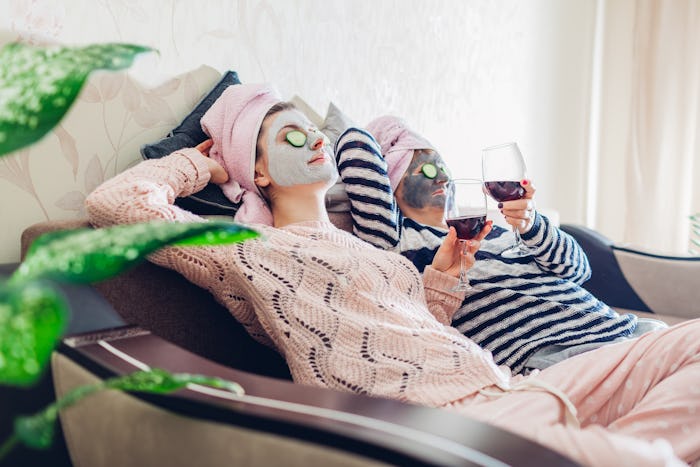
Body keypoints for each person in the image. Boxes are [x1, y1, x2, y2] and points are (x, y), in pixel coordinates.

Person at [85, 83, 699, 466]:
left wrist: (442, 280)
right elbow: (115, 207)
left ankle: (626, 445)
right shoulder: (248, 248)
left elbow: (410, 332)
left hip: (507, 386)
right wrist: (200, 165)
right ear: (261, 172)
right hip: (445, 419)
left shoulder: (377, 255)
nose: (316, 140)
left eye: (313, 128)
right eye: (289, 134)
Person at [334, 116, 667, 374]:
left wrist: (533, 225)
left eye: (442, 165)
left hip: (622, 329)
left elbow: (578, 271)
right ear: (391, 181)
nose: (441, 176)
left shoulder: (494, 227)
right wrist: (398, 138)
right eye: (425, 169)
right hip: (554, 355)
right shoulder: (396, 240)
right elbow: (354, 141)